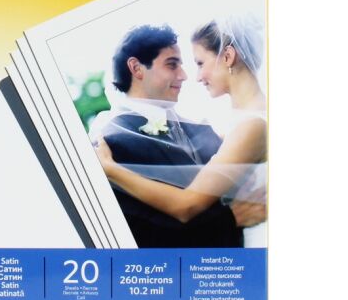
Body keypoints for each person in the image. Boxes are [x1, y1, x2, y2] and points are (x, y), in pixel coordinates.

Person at [96, 15, 267, 246]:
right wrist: (229, 220)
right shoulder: (114, 140)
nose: (189, 76)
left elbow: (189, 204)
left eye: (199, 63)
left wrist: (111, 170)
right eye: (172, 64)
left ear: (228, 57)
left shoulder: (245, 126)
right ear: (136, 68)